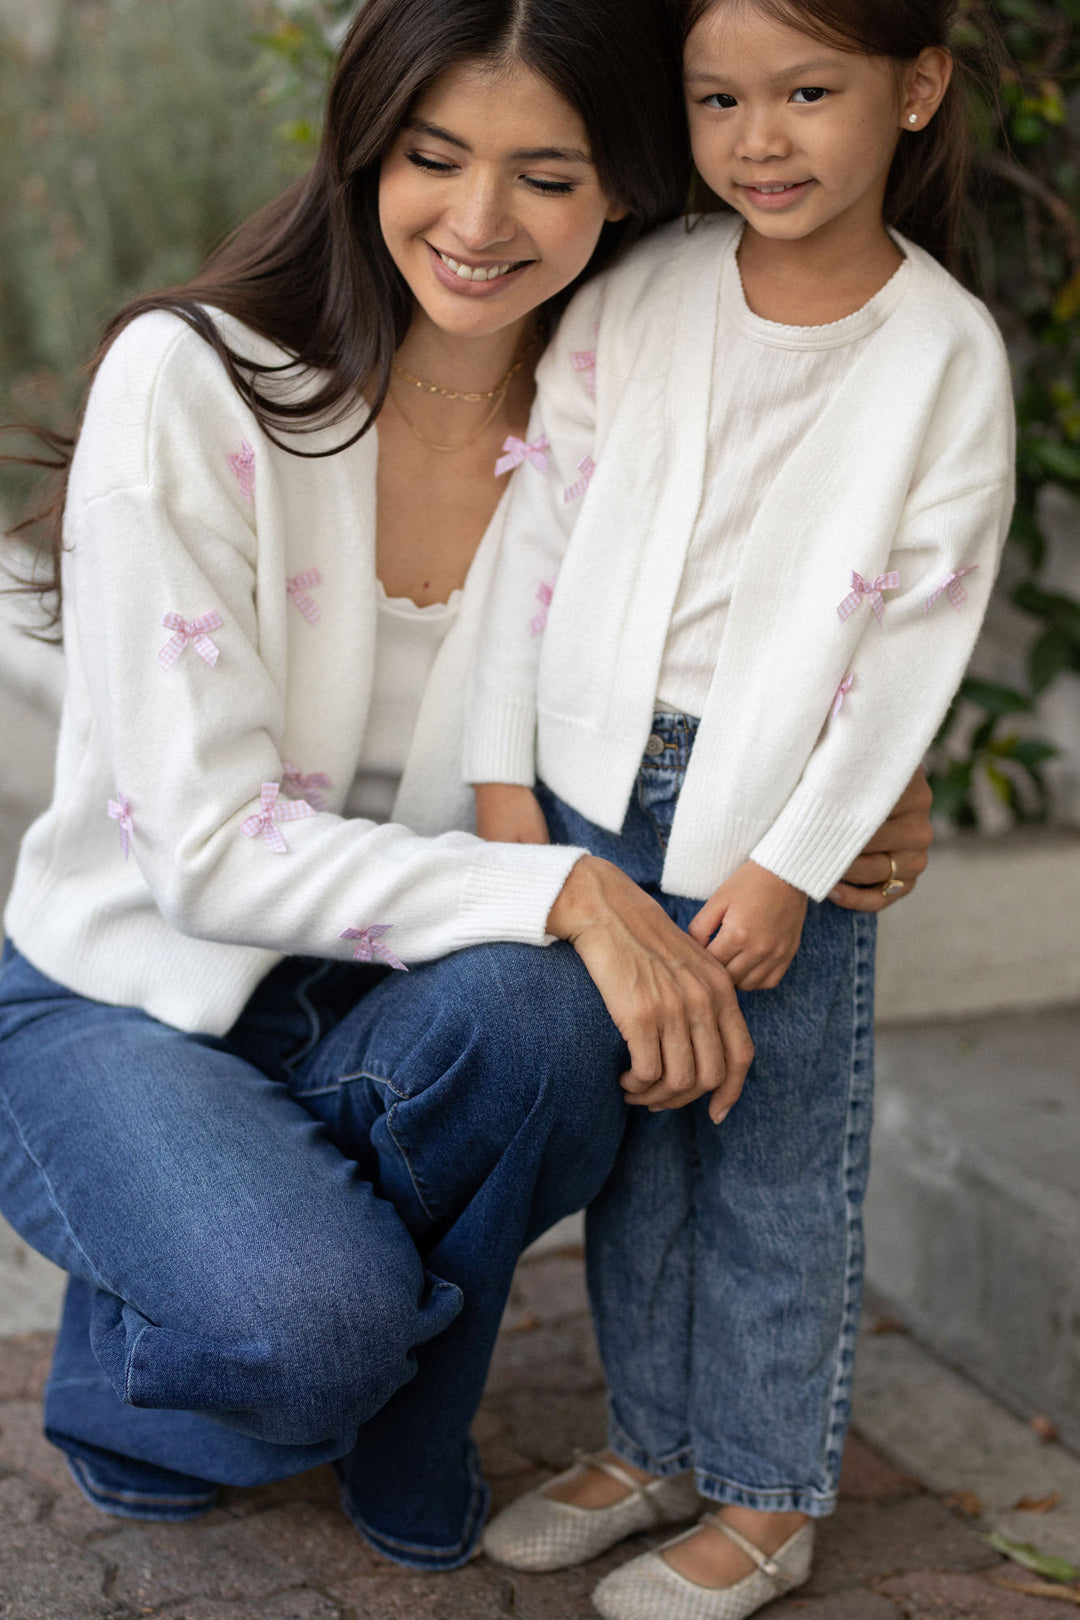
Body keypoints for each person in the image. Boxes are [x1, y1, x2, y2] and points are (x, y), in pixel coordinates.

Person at [0, 0, 931, 1577]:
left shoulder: (634, 414)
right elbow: (209, 854)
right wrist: (560, 885)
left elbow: (759, 656)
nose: (480, 221)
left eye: (547, 176)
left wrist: (847, 796)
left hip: (411, 1006)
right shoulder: (197, 383)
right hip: (128, 995)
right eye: (435, 158)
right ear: (364, 144)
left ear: (626, 187)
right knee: (301, 1325)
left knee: (556, 1021)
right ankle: (179, 1366)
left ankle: (353, 1339)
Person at [467, 0, 1014, 1613]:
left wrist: (794, 860)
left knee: (773, 1156)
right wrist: (510, 784)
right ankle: (652, 1445)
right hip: (586, 785)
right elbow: (534, 536)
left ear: (913, 89)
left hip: (781, 814)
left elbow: (911, 643)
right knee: (639, 1144)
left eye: (807, 91)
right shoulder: (639, 292)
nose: (759, 136)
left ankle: (769, 1498)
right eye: (720, 98)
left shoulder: (943, 358)